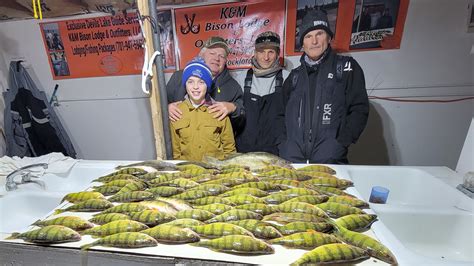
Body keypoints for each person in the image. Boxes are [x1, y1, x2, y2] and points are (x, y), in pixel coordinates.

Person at [280, 10, 369, 164]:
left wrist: (340, 143)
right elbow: (279, 114)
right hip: (293, 162)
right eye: (308, 36)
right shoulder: (293, 77)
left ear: (328, 37)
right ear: (302, 43)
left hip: (329, 161)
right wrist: (283, 144)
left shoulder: (346, 68)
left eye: (319, 34)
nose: (314, 41)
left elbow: (359, 108)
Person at [166, 36, 244, 135]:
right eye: (212, 53)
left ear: (225, 61)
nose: (217, 58)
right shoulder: (178, 77)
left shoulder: (233, 86)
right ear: (202, 55)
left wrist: (234, 108)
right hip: (184, 145)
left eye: (222, 56)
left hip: (216, 147)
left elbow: (242, 119)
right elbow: (160, 104)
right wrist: (167, 108)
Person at [170, 57, 236, 161]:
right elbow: (176, 152)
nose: (195, 87)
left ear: (208, 85)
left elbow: (229, 149)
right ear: (185, 85)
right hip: (189, 173)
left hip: (215, 172)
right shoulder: (177, 112)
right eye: (190, 82)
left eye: (201, 82)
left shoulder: (219, 111)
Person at [235, 31, 286, 155]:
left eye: (271, 52)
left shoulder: (287, 78)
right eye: (261, 51)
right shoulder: (241, 78)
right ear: (255, 53)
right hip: (244, 151)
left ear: (277, 54)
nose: (266, 57)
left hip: (276, 152)